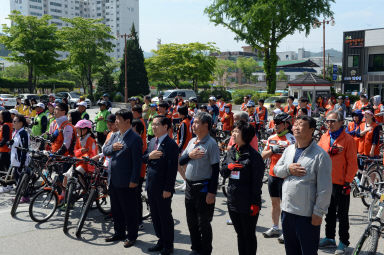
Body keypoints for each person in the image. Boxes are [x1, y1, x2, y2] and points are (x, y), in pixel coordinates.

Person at [274, 115, 332, 255]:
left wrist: (318, 213)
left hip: (306, 215)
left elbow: (324, 188)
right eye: (295, 124)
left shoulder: (320, 155)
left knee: (308, 252)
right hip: (287, 212)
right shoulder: (289, 150)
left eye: (301, 124)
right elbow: (276, 170)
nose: (296, 127)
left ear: (311, 130)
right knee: (291, 251)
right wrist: (288, 169)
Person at [179, 112, 220, 255]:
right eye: (193, 122)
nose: (193, 125)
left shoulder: (211, 144)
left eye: (196, 122)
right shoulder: (192, 141)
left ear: (205, 125)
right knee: (191, 221)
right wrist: (189, 155)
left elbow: (215, 170)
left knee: (203, 223)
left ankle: (206, 251)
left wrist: (212, 193)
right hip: (190, 187)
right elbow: (181, 161)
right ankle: (195, 248)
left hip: (203, 188)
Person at [221, 120, 264, 255]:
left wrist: (255, 203)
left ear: (245, 135)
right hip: (233, 200)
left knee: (248, 234)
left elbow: (257, 183)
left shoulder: (254, 157)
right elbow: (223, 171)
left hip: (248, 202)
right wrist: (228, 167)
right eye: (233, 131)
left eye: (236, 131)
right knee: (240, 233)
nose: (233, 133)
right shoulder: (232, 151)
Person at [318, 111, 358, 254]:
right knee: (328, 212)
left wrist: (347, 182)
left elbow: (353, 164)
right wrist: (329, 150)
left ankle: (343, 241)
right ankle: (329, 237)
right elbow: (318, 155)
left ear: (341, 122)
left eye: (333, 121)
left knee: (342, 214)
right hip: (325, 182)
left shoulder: (348, 140)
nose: (330, 123)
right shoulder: (324, 137)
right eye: (328, 121)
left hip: (341, 183)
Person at [103, 109, 143, 248]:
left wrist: (134, 180)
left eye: (118, 120)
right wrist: (112, 148)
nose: (115, 122)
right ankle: (119, 232)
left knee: (129, 210)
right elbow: (105, 151)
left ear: (127, 121)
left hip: (127, 181)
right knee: (116, 209)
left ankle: (132, 236)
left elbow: (137, 162)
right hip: (113, 179)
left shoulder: (135, 138)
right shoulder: (115, 136)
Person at [143, 116, 179, 255]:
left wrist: (168, 189)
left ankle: (168, 245)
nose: (153, 127)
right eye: (152, 124)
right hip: (151, 185)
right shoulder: (152, 141)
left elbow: (172, 169)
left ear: (165, 127)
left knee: (165, 217)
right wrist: (149, 157)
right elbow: (144, 158)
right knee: (155, 216)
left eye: (157, 124)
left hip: (163, 188)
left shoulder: (171, 145)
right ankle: (160, 241)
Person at [261, 113, 295, 243]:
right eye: (274, 123)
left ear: (286, 124)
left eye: (279, 123)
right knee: (275, 204)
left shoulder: (291, 139)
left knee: (287, 205)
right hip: (272, 175)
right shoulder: (271, 138)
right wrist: (272, 151)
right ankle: (275, 227)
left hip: (286, 176)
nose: (275, 125)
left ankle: (287, 232)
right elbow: (262, 155)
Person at [7, 114, 30, 200]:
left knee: (21, 179)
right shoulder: (15, 132)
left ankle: (25, 196)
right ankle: (20, 195)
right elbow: (14, 145)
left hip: (20, 161)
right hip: (15, 160)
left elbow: (24, 149)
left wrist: (22, 163)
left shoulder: (23, 133)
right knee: (17, 178)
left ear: (20, 123)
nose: (13, 123)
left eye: (15, 121)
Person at [131, 119, 147, 230]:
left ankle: (139, 220)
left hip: (138, 174)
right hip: (130, 173)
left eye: (133, 130)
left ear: (140, 132)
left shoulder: (140, 142)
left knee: (136, 197)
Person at [0, 110, 13, 193]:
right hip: (7, 150)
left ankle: (5, 186)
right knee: (7, 168)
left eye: (0, 114)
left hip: (4, 150)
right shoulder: (10, 124)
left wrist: (0, 144)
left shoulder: (5, 125)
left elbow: (5, 138)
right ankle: (9, 185)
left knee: (2, 169)